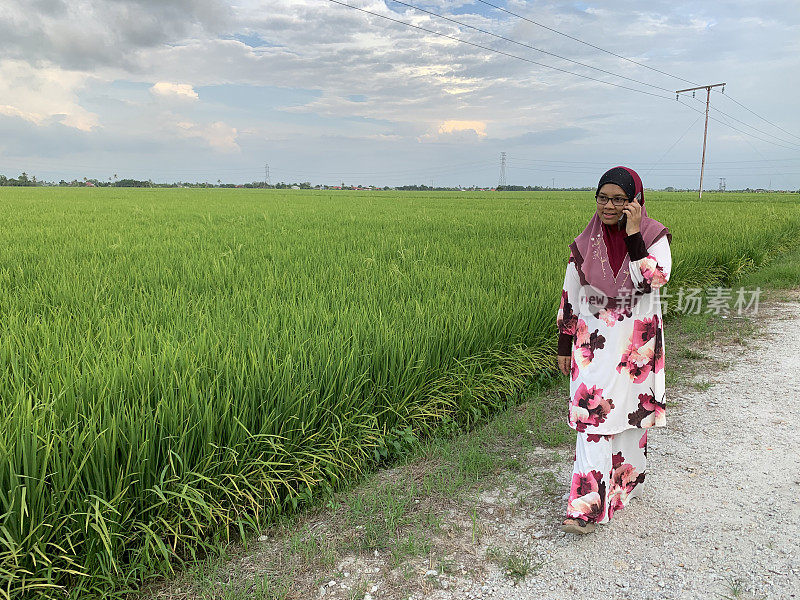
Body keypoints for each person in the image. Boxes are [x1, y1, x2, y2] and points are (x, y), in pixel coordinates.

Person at [556, 166, 672, 534]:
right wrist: (563, 341)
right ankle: (585, 509)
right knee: (592, 416)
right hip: (592, 345)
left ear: (635, 201)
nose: (609, 206)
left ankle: (622, 488)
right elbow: (571, 293)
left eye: (619, 199)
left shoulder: (654, 236)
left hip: (635, 343)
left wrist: (634, 235)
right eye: (602, 198)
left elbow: (653, 278)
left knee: (629, 417)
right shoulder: (585, 241)